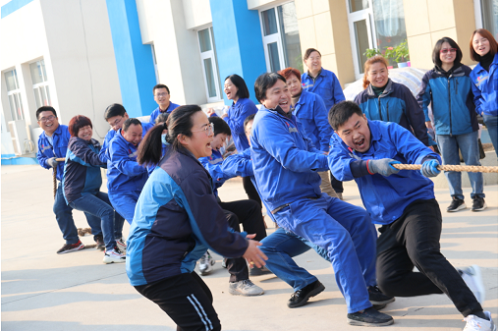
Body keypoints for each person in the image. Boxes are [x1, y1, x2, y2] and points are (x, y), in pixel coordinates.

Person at [328, 101, 495, 331]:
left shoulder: (389, 130)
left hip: (418, 206)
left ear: (365, 118)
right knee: (388, 282)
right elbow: (339, 169)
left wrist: (427, 162)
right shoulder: (338, 144)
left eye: (358, 125)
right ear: (338, 134)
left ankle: (478, 316)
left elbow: (418, 151)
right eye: (347, 132)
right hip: (388, 221)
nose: (356, 135)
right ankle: (460, 279)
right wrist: (371, 165)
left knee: (422, 254)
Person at [251, 72, 393, 326]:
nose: (284, 94)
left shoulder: (287, 119)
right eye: (276, 92)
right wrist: (330, 160)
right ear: (263, 99)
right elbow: (292, 158)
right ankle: (358, 309)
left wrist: (338, 151)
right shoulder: (266, 122)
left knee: (361, 219)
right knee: (337, 239)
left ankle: (367, 286)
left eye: (285, 89)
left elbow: (310, 149)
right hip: (291, 204)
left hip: (313, 197)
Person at [127, 105, 267, 331]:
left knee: (201, 304)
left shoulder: (182, 162)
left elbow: (208, 220)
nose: (211, 133)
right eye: (204, 128)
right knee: (206, 325)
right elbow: (210, 229)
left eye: (210, 126)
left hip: (163, 263)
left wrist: (237, 240)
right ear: (183, 138)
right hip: (157, 267)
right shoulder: (186, 172)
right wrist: (241, 245)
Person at [197, 116, 269, 295]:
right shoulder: (196, 154)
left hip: (215, 203)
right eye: (221, 139)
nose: (221, 145)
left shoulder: (214, 153)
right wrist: (229, 170)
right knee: (229, 219)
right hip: (198, 208)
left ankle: (258, 262)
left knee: (251, 207)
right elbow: (211, 173)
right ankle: (238, 279)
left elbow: (227, 167)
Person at [417, 37, 486, 212]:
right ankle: (457, 198)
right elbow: (421, 100)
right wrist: (426, 119)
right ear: (438, 54)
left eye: (452, 49)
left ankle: (478, 197)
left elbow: (478, 95)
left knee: (473, 163)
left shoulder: (466, 72)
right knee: (449, 165)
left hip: (467, 127)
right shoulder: (430, 76)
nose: (449, 53)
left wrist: (480, 114)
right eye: (444, 50)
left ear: (457, 51)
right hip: (442, 129)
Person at [35, 106, 102, 253]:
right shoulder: (42, 140)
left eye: (51, 117)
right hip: (64, 181)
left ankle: (101, 238)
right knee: (59, 209)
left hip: (80, 179)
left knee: (88, 206)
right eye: (44, 118)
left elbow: (84, 147)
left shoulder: (68, 132)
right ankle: (73, 241)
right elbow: (40, 157)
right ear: (38, 122)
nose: (48, 120)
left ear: (57, 118)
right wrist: (47, 162)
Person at [62, 115, 126, 264]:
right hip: (77, 194)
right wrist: (115, 155)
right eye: (81, 129)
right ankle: (110, 250)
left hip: (91, 192)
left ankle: (116, 238)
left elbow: (104, 162)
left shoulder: (94, 143)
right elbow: (93, 159)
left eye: (88, 127)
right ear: (74, 132)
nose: (86, 131)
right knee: (106, 211)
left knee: (120, 201)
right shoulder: (76, 145)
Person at [278, 67, 338, 199]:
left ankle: (344, 218)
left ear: (300, 81)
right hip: (297, 159)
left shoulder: (314, 99)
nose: (292, 85)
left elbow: (324, 127)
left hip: (315, 154)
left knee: (325, 190)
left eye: (294, 81)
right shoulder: (281, 106)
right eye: (288, 83)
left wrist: (324, 150)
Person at [99, 103, 152, 251]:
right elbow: (104, 157)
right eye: (112, 124)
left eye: (117, 121)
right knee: (140, 223)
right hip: (121, 190)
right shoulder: (113, 138)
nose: (115, 126)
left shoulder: (146, 128)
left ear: (126, 116)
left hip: (143, 187)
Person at [354, 55, 429, 147]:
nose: (379, 76)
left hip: (404, 147)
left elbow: (417, 119)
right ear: (367, 76)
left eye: (382, 71)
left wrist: (426, 143)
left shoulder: (401, 91)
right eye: (374, 73)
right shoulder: (360, 100)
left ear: (387, 72)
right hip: (378, 152)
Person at [301, 48, 346, 199]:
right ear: (305, 61)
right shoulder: (301, 81)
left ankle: (338, 194)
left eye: (318, 57)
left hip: (330, 126)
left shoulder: (330, 77)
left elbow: (340, 100)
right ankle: (322, 194)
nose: (315, 61)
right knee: (318, 162)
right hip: (310, 130)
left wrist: (339, 123)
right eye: (312, 58)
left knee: (334, 158)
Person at [222, 74, 261, 208]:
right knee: (250, 189)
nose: (226, 88)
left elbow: (239, 128)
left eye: (229, 85)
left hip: (255, 153)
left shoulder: (247, 104)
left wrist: (224, 118)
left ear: (238, 87)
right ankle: (259, 219)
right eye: (224, 86)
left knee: (261, 189)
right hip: (243, 155)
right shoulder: (232, 107)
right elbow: (232, 132)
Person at [107, 118, 149, 227]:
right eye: (134, 135)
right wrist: (146, 165)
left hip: (141, 190)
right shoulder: (115, 144)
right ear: (123, 132)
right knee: (139, 225)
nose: (137, 138)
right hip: (121, 192)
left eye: (140, 135)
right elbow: (124, 165)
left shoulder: (142, 141)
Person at [470, 28, 498, 156]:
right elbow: (476, 97)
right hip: (491, 119)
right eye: (476, 42)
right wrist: (482, 110)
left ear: (491, 41)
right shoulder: (475, 73)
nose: (480, 44)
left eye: (483, 40)